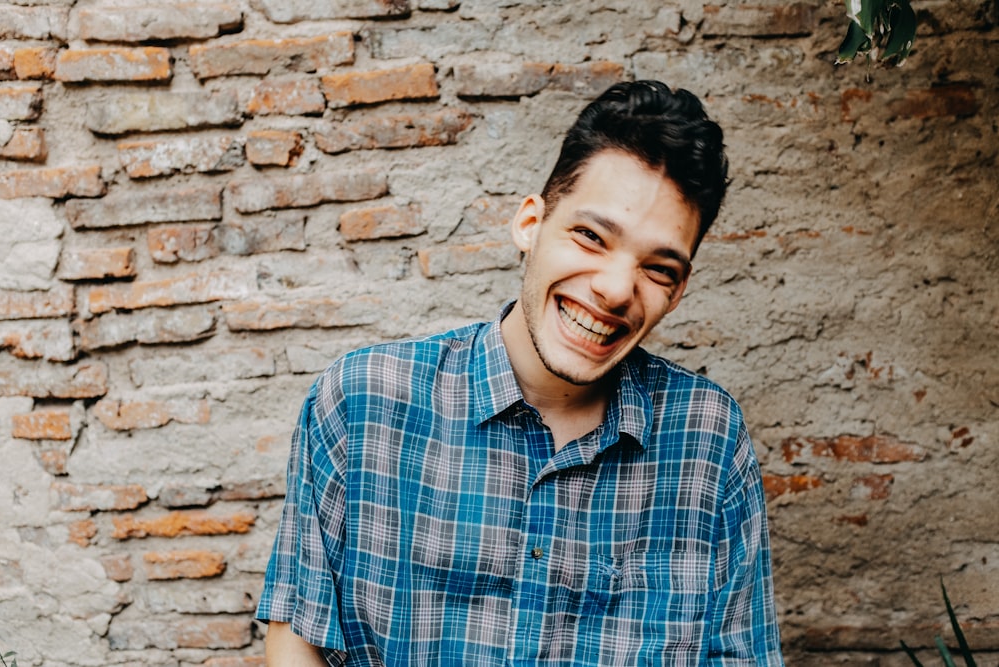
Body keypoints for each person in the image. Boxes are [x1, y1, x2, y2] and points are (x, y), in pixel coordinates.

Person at [256, 80, 784, 666]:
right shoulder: (363, 401)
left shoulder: (707, 438)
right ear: (530, 223)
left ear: (678, 290)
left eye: (657, 268)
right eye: (590, 236)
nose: (614, 289)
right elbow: (297, 639)